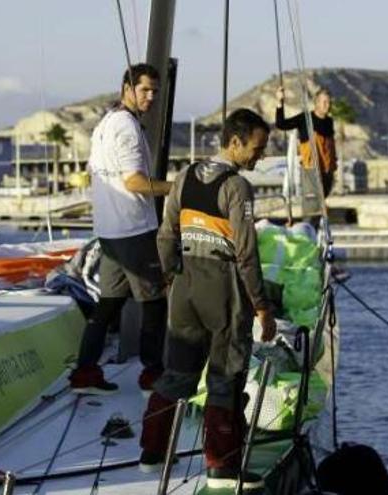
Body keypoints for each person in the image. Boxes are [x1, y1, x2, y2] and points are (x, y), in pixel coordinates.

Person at [138, 108, 277, 489]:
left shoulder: (183, 177)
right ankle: (222, 465)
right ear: (235, 142)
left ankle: (150, 453)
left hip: (184, 288)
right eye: (257, 147)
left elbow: (166, 235)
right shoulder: (238, 188)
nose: (260, 156)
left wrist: (169, 278)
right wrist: (262, 307)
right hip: (223, 290)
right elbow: (246, 254)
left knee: (177, 375)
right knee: (225, 377)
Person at [69, 63, 172, 395]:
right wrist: (177, 187)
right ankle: (152, 375)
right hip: (134, 229)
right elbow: (135, 181)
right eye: (144, 90)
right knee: (155, 302)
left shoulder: (104, 124)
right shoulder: (127, 127)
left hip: (109, 232)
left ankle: (85, 372)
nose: (151, 96)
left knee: (109, 304)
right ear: (127, 89)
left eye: (155, 90)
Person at [274, 85, 338, 197]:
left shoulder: (329, 122)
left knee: (324, 200)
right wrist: (280, 102)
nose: (328, 105)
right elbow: (281, 124)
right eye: (325, 102)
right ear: (316, 103)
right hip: (311, 171)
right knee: (312, 203)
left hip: (327, 172)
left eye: (329, 102)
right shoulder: (305, 118)